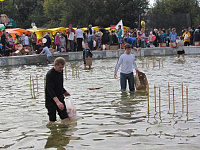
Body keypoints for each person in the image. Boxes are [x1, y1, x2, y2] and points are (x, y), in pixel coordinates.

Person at [45, 57, 70, 124]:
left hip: (60, 97)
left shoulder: (60, 71)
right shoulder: (50, 75)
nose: (61, 69)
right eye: (60, 67)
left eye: (62, 67)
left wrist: (64, 91)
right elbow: (50, 89)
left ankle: (63, 133)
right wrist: (57, 102)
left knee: (65, 117)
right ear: (55, 65)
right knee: (52, 120)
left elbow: (59, 85)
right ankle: (53, 133)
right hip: (51, 99)